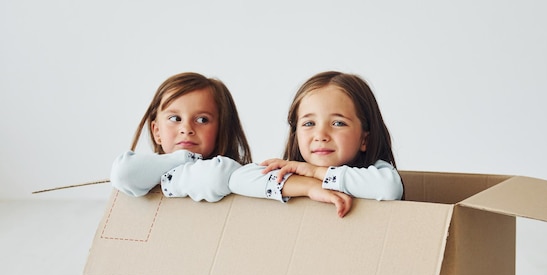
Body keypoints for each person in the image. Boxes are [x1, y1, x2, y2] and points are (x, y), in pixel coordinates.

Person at [229, 71, 403, 217]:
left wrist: (316, 172)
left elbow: (389, 188)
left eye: (338, 123)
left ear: (365, 139)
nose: (321, 135)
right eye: (309, 124)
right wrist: (310, 187)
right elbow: (237, 180)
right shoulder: (290, 172)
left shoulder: (377, 173)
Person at [110, 72, 252, 202]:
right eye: (175, 118)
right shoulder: (144, 173)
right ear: (157, 132)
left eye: (202, 120)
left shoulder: (232, 173)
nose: (186, 129)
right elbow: (123, 172)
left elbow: (215, 177)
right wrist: (185, 159)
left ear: (221, 130)